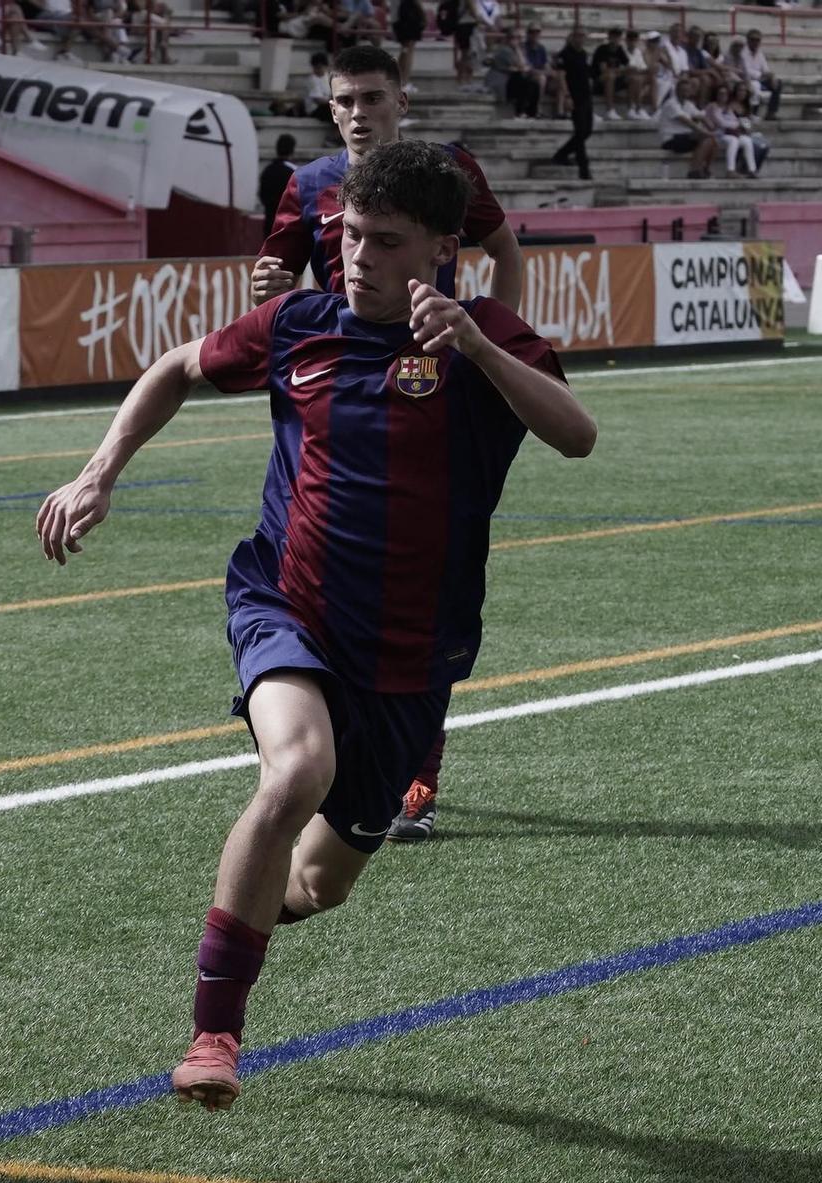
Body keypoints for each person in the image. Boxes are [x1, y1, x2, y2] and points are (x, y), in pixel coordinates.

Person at [36, 139, 595, 1111]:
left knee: (320, 884)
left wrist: (470, 344)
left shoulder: (483, 339)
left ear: (436, 249)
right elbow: (173, 367)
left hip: (413, 653)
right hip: (286, 606)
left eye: (382, 241)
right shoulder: (297, 325)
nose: (353, 257)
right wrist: (97, 473)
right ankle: (214, 1032)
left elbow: (576, 434)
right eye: (345, 237)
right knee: (293, 769)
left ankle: (255, 901)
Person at [251, 42, 525, 844]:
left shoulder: (448, 170)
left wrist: (493, 342)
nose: (360, 112)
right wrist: (269, 285)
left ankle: (417, 777)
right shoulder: (307, 185)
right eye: (346, 100)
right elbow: (279, 283)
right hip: (342, 399)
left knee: (423, 576)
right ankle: (313, 739)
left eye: (375, 97)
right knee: (317, 566)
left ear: (402, 100)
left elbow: (504, 249)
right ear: (330, 109)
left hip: (427, 388)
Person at [552, 27, 595, 180]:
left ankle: (561, 154)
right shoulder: (565, 54)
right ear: (572, 37)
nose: (580, 39)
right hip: (575, 97)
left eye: (583, 36)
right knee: (581, 131)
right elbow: (562, 77)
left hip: (586, 96)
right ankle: (584, 168)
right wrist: (567, 96)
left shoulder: (583, 54)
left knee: (587, 131)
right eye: (577, 35)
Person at [658, 74, 718, 178]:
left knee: (712, 142)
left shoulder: (688, 104)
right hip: (671, 139)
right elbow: (687, 122)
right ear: (677, 91)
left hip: (684, 137)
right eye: (683, 90)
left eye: (687, 90)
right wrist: (704, 132)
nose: (686, 93)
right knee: (707, 138)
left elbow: (700, 116)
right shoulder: (671, 104)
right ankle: (694, 171)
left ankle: (705, 169)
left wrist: (709, 124)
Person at [486, 24, 539, 120]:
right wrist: (518, 51)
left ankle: (531, 113)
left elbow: (527, 66)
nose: (518, 40)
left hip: (511, 81)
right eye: (515, 37)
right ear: (508, 39)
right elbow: (521, 66)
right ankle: (519, 112)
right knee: (522, 80)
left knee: (534, 83)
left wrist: (519, 52)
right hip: (502, 83)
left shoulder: (519, 50)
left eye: (519, 38)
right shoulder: (504, 50)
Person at [705, 84, 759, 177]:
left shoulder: (729, 108)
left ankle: (752, 170)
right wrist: (737, 125)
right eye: (721, 94)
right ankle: (730, 170)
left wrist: (739, 125)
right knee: (734, 140)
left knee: (747, 140)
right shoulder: (713, 106)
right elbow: (721, 123)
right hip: (718, 135)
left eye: (725, 94)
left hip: (731, 134)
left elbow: (738, 122)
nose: (723, 96)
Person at [735, 31, 782, 121]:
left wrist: (772, 76)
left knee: (778, 83)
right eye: (753, 39)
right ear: (748, 40)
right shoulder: (743, 53)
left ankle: (771, 113)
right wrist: (761, 75)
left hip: (759, 79)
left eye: (757, 40)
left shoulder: (759, 53)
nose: (755, 42)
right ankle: (752, 113)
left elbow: (765, 69)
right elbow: (746, 71)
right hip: (746, 80)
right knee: (755, 86)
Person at [258, 133, 298, 229]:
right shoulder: (294, 172)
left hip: (270, 222)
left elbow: (262, 195)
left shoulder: (267, 170)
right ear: (292, 150)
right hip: (288, 224)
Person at [393, 0, 426, 92]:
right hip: (409, 13)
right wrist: (423, 15)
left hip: (402, 14)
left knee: (405, 49)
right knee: (409, 49)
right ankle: (404, 82)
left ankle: (400, 81)